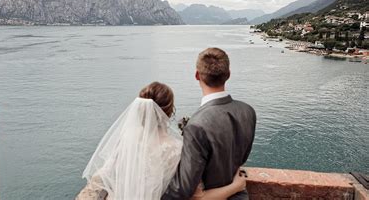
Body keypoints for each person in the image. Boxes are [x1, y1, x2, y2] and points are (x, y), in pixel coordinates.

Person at [77, 81, 246, 200]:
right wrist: (236, 187)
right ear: (170, 111)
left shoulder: (126, 139)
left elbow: (103, 176)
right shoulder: (177, 148)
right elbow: (198, 196)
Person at [161, 48, 257, 200]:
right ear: (228, 74)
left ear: (197, 75)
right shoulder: (248, 111)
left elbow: (183, 188)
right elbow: (240, 159)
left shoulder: (196, 125)